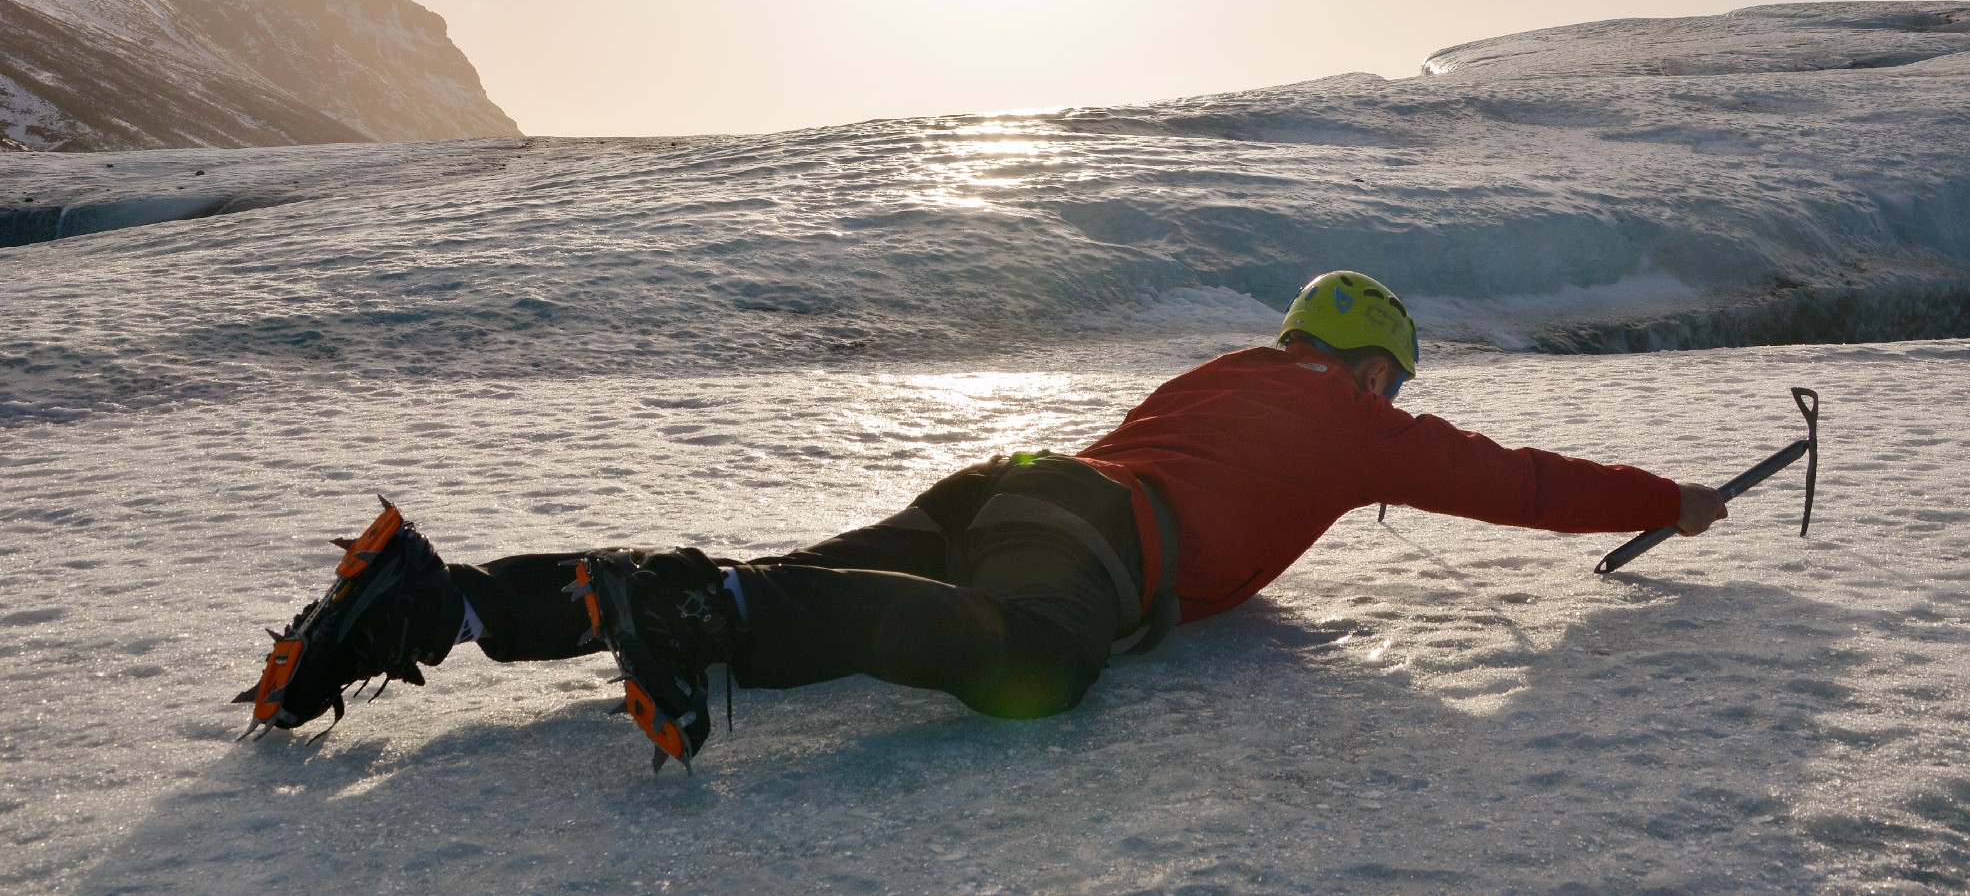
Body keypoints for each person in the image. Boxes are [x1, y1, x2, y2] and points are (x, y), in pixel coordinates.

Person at [240, 270, 1728, 770]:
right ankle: (693, 617)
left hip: (1002, 487)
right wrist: (1673, 498)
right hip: (1077, 541)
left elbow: (1224, 492)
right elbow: (1525, 483)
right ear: (1366, 362)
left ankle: (444, 599)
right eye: (1390, 377)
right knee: (1033, 667)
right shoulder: (1348, 418)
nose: (1392, 401)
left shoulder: (1219, 373)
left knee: (769, 595)